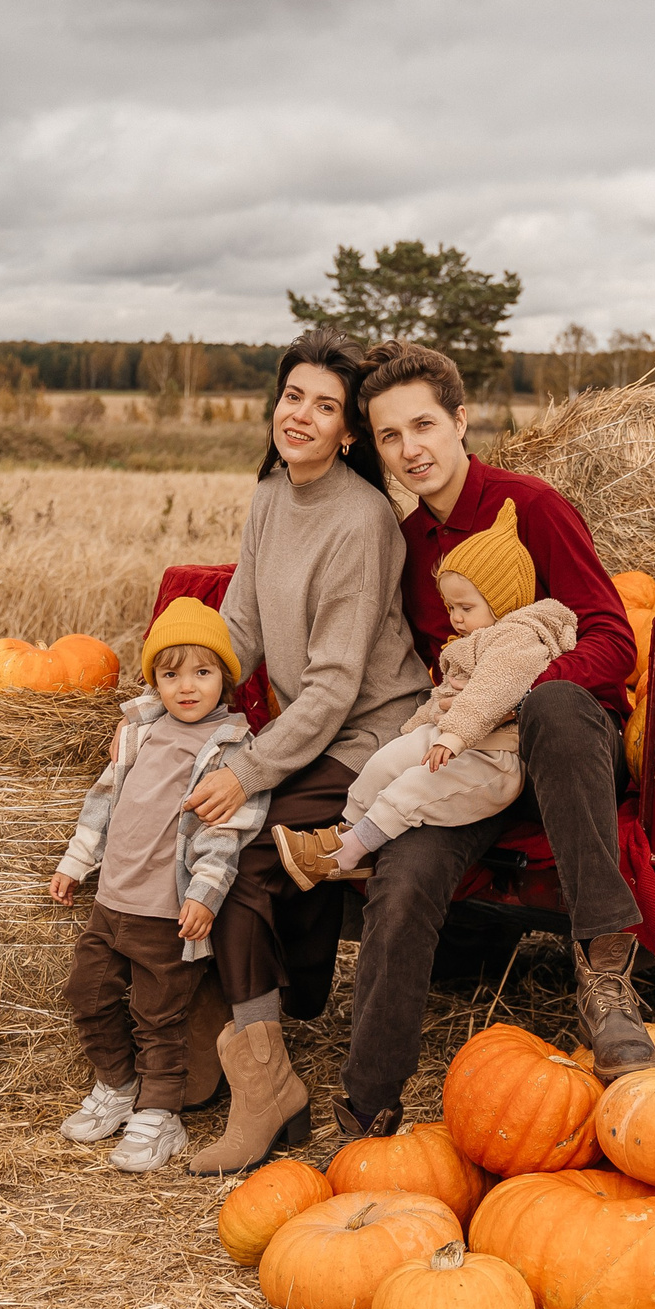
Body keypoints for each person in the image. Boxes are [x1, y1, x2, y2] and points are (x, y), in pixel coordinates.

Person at [333, 341, 648, 1141]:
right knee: (401, 878)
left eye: (426, 425)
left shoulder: (532, 507)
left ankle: (606, 976)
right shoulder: (409, 551)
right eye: (392, 436)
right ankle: (368, 1103)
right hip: (467, 761)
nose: (413, 449)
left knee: (555, 705)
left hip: (562, 747)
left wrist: (515, 695)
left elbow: (614, 638)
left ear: (461, 420)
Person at [184, 327, 431, 1174]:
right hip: (319, 728)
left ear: (349, 432)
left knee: (245, 841)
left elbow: (330, 689)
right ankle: (261, 1054)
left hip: (373, 736)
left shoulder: (361, 522)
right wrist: (170, 701)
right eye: (294, 397)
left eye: (326, 406)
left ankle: (265, 1087)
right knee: (218, 825)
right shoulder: (268, 497)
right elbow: (243, 631)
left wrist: (245, 768)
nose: (302, 416)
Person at [48, 597, 268, 1174]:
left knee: (158, 1017)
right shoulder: (139, 734)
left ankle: (160, 1114)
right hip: (111, 903)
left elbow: (227, 834)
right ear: (155, 682)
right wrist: (76, 863)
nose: (187, 687)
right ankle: (118, 1085)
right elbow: (103, 804)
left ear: (226, 677)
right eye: (171, 675)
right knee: (88, 995)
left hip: (164, 912)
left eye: (203, 671)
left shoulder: (231, 749)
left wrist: (203, 896)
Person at [272, 500, 577, 886]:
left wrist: (453, 735)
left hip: (493, 758)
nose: (456, 617)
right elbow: (441, 698)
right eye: (450, 606)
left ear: (503, 602)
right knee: (384, 763)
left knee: (411, 790)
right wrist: (416, 729)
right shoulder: (475, 640)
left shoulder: (518, 638)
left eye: (466, 606)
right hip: (454, 740)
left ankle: (347, 854)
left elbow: (491, 690)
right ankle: (344, 832)